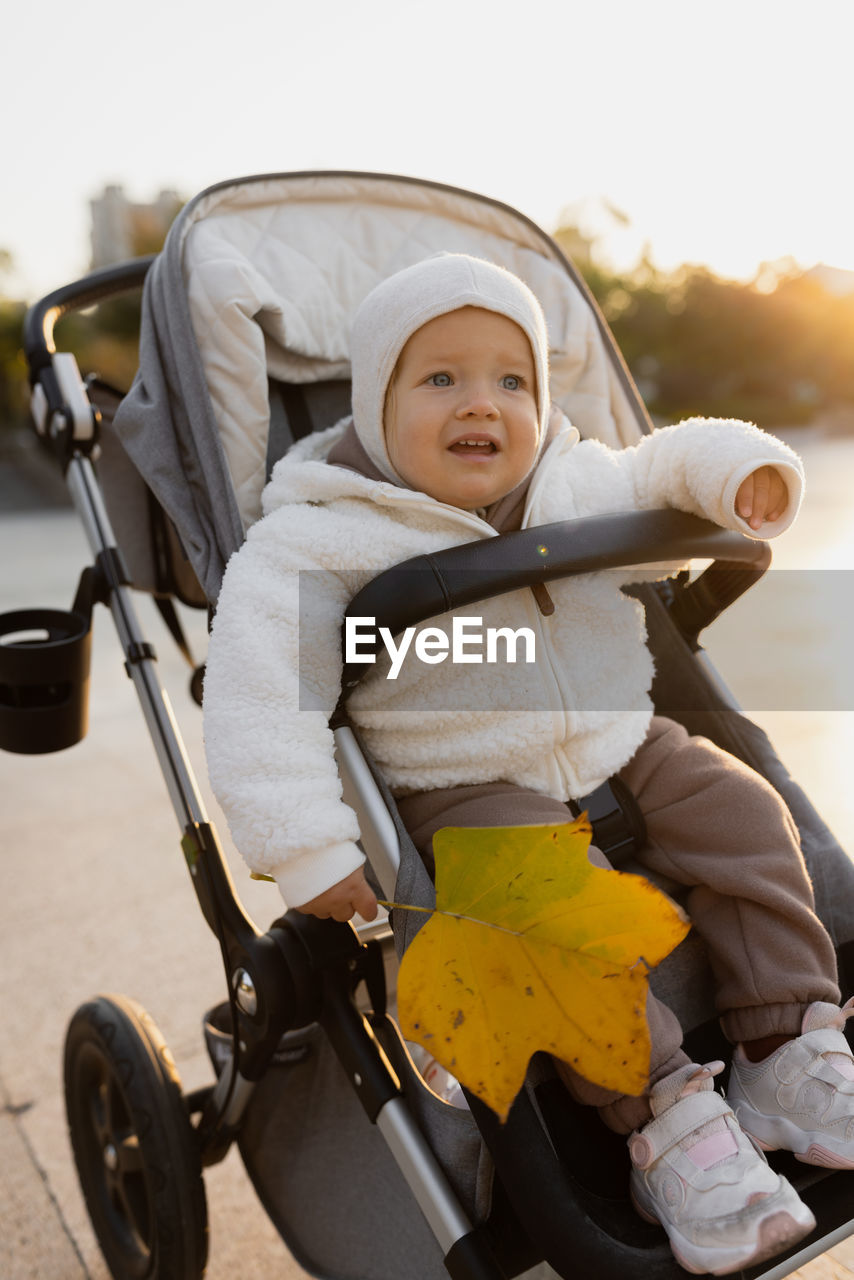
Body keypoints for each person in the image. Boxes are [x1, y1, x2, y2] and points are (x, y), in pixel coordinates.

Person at [203, 253, 854, 1275]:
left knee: (745, 812)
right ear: (375, 404)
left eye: (511, 380)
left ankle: (783, 1045)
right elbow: (254, 690)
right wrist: (303, 842)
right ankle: (670, 1122)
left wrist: (740, 473)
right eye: (441, 379)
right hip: (458, 779)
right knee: (555, 912)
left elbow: (662, 467)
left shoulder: (567, 476)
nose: (483, 404)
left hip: (616, 735)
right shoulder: (317, 538)